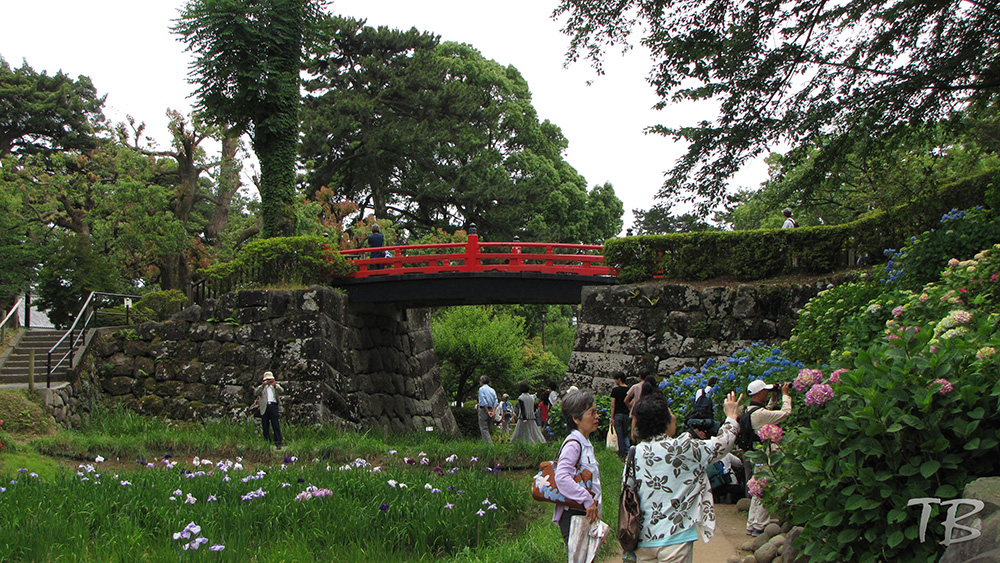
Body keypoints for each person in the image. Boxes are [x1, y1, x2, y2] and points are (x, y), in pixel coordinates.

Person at [627, 390, 742, 562]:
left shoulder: (635, 453)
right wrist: (731, 417)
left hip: (643, 539)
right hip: (675, 537)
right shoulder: (684, 448)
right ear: (664, 421)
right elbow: (722, 444)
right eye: (671, 414)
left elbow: (628, 491)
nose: (674, 418)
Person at [552, 389, 602, 545]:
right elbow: (561, 477)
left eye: (596, 412)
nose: (596, 416)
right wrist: (587, 499)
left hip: (583, 513)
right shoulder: (574, 444)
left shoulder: (584, 442)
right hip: (574, 514)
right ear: (576, 419)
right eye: (591, 413)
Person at [743, 379, 792, 536]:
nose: (767, 393)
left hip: (756, 457)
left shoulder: (748, 411)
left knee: (757, 490)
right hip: (767, 458)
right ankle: (760, 525)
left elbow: (765, 412)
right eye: (766, 391)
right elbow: (785, 413)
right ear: (760, 393)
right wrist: (785, 395)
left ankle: (752, 524)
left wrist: (773, 398)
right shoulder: (760, 415)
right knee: (765, 490)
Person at [253, 371, 284, 450]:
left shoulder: (275, 387)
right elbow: (256, 392)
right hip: (265, 406)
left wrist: (275, 385)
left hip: (273, 405)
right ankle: (267, 441)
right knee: (265, 424)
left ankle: (278, 442)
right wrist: (262, 386)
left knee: (275, 424)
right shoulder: (262, 388)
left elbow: (282, 391)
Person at [609, 372, 631, 459]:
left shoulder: (615, 390)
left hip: (618, 414)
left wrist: (612, 417)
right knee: (625, 434)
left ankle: (621, 454)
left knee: (619, 435)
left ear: (619, 379)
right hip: (626, 415)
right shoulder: (629, 390)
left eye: (615, 379)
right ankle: (628, 452)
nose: (615, 381)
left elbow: (613, 405)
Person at [477, 375, 498, 444]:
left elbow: (483, 401)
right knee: (489, 428)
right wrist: (493, 411)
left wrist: (487, 411)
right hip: (492, 409)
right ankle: (486, 444)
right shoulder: (492, 390)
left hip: (484, 410)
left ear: (481, 381)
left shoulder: (481, 389)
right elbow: (496, 401)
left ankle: (489, 445)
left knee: (484, 428)